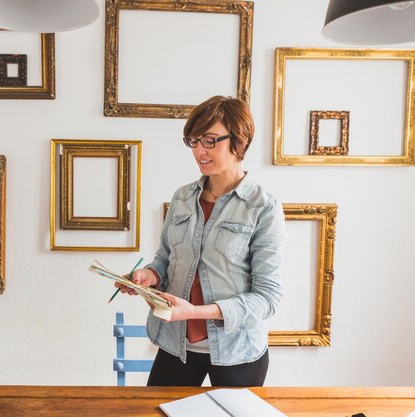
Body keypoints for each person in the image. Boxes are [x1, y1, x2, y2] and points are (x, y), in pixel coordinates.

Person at [115, 95, 287, 387]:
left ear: (239, 141)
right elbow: (165, 260)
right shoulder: (183, 197)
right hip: (175, 345)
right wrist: (148, 276)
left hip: (238, 352)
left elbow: (267, 298)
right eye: (193, 141)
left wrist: (195, 312)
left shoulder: (263, 207)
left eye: (210, 141)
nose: (199, 151)